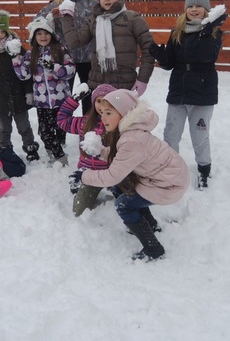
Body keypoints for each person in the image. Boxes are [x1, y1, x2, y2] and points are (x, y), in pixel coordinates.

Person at [70, 89, 190, 261]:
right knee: (122, 188)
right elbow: (122, 157)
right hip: (165, 177)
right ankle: (150, 225)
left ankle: (153, 249)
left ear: (124, 113)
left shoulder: (132, 139)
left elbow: (112, 175)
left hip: (168, 185)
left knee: (124, 205)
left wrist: (83, 176)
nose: (103, 118)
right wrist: (101, 151)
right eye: (102, 112)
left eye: (108, 113)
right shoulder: (130, 131)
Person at [148, 0, 226, 188]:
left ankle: (204, 169)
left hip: (202, 93)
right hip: (179, 91)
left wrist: (205, 33)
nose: (193, 9)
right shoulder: (178, 31)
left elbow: (206, 56)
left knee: (199, 135)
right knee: (171, 133)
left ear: (206, 9)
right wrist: (160, 56)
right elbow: (170, 62)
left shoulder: (214, 33)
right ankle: (170, 167)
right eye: (190, 6)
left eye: (198, 6)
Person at [57, 0, 155, 94]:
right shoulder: (94, 20)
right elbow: (75, 42)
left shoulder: (132, 19)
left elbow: (149, 49)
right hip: (98, 85)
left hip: (124, 86)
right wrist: (67, 16)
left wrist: (143, 79)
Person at [0, 9, 41, 162]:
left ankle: (30, 146)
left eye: (2, 31)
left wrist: (28, 92)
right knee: (4, 128)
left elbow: (26, 70)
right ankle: (5, 149)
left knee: (24, 125)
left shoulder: (15, 48)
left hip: (18, 95)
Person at [12, 16, 75, 166]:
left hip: (60, 98)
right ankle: (59, 156)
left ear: (51, 34)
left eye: (46, 33)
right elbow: (24, 75)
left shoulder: (60, 50)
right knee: (45, 131)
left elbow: (70, 70)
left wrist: (54, 67)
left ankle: (58, 148)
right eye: (39, 34)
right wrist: (16, 58)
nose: (43, 37)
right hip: (42, 101)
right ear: (34, 37)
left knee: (60, 127)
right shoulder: (31, 54)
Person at [38, 0, 97, 112]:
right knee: (64, 97)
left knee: (89, 96)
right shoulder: (58, 3)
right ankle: (63, 124)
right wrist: (51, 17)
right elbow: (38, 21)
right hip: (66, 58)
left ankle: (87, 125)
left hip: (88, 57)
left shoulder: (92, 2)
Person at [57, 83, 116, 216]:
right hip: (88, 173)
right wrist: (73, 100)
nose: (102, 106)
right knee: (79, 211)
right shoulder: (85, 122)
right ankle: (80, 184)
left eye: (106, 101)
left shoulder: (118, 124)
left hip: (111, 172)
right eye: (99, 101)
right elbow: (62, 121)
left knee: (125, 198)